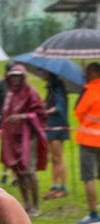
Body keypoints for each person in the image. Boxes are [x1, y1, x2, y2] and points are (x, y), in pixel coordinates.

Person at [0, 64, 47, 217]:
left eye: (18, 76)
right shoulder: (9, 95)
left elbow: (40, 112)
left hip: (28, 138)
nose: (15, 79)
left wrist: (22, 117)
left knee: (29, 171)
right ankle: (26, 203)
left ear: (23, 77)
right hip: (13, 139)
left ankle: (36, 205)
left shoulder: (31, 93)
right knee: (18, 171)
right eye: (12, 76)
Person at [74, 62, 100, 224]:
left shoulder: (90, 91)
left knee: (88, 178)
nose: (84, 74)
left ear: (93, 72)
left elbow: (79, 113)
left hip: (89, 141)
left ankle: (93, 214)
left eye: (86, 71)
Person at [42, 72, 70, 200]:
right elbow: (50, 102)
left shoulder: (57, 86)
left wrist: (46, 110)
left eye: (43, 71)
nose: (42, 73)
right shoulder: (51, 85)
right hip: (51, 124)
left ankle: (63, 187)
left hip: (58, 124)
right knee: (54, 158)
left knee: (58, 157)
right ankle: (54, 187)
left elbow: (59, 106)